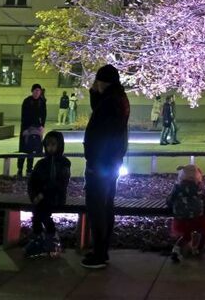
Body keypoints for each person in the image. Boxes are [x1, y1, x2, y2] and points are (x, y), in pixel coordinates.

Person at [81, 64, 130, 269]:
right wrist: (95, 92)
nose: (95, 85)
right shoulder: (118, 99)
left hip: (100, 164)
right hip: (110, 163)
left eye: (97, 82)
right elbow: (99, 109)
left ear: (103, 82)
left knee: (97, 208)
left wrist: (93, 162)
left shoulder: (111, 102)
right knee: (105, 206)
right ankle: (102, 251)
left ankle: (99, 254)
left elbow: (101, 132)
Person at [25, 130, 71, 258]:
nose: (50, 148)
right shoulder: (41, 163)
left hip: (56, 197)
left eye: (53, 144)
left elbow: (60, 183)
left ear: (59, 145)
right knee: (38, 210)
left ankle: (47, 236)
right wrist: (34, 195)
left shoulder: (64, 163)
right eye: (48, 145)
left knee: (40, 211)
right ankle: (42, 237)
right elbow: (32, 181)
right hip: (41, 197)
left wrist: (43, 194)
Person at [166, 163, 205, 262]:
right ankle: (198, 249)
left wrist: (172, 206)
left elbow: (170, 200)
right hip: (196, 217)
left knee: (186, 235)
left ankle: (176, 249)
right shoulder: (199, 187)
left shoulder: (177, 187)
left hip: (181, 217)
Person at [17, 84, 48, 177]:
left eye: (39, 91)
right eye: (35, 91)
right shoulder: (27, 101)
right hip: (26, 128)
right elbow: (23, 116)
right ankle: (20, 169)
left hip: (36, 128)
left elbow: (44, 115)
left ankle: (29, 169)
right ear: (32, 91)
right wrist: (24, 129)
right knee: (23, 149)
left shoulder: (42, 102)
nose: (37, 92)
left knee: (32, 148)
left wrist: (42, 126)